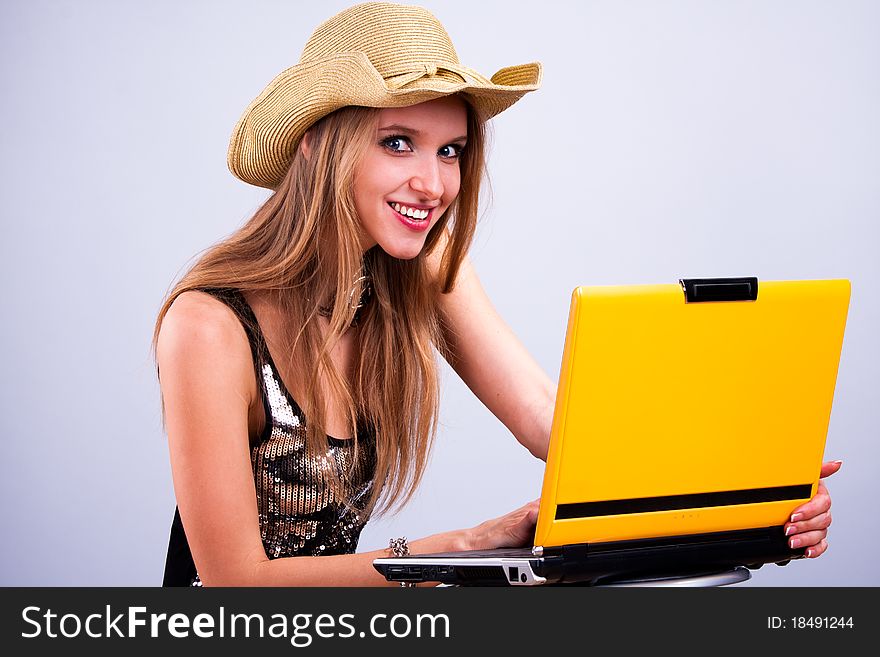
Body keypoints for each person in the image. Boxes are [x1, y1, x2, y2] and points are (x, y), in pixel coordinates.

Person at [154, 2, 838, 587]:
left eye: (450, 150)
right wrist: (466, 546)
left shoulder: (421, 266)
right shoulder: (209, 325)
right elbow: (235, 579)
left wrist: (754, 496)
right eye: (399, 143)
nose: (433, 184)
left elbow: (557, 423)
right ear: (313, 144)